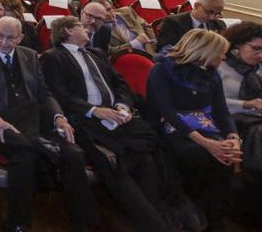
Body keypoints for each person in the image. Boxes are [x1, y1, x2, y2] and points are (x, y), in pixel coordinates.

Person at [41, 16, 170, 232]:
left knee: (147, 158)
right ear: (67, 31)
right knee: (114, 165)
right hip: (85, 121)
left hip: (117, 118)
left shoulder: (96, 54)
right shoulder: (52, 57)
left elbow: (120, 84)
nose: (87, 28)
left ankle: (157, 216)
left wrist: (122, 106)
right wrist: (94, 111)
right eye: (81, 26)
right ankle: (155, 225)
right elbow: (58, 94)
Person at [0, 17, 93, 232]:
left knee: (73, 153)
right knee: (24, 157)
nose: (4, 42)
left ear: (21, 37)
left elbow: (44, 94)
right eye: (0, 36)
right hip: (2, 120)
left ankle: (83, 220)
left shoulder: (30, 55)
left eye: (11, 38)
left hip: (34, 117)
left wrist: (58, 117)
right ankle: (18, 224)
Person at [146, 30, 241, 231]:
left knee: (225, 157)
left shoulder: (210, 72)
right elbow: (167, 112)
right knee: (197, 156)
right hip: (168, 126)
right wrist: (207, 143)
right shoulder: (161, 70)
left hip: (201, 124)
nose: (224, 57)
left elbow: (221, 110)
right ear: (205, 51)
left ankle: (214, 217)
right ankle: (195, 212)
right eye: (220, 53)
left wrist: (233, 137)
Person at [218, 22, 262, 178]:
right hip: (230, 121)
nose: (261, 55)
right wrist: (245, 104)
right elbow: (211, 103)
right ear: (236, 46)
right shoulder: (219, 67)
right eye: (256, 49)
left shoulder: (255, 70)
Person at [156, 0, 227, 49]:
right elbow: (165, 48)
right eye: (209, 12)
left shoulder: (219, 25)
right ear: (196, 6)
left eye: (217, 14)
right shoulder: (172, 22)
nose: (212, 17)